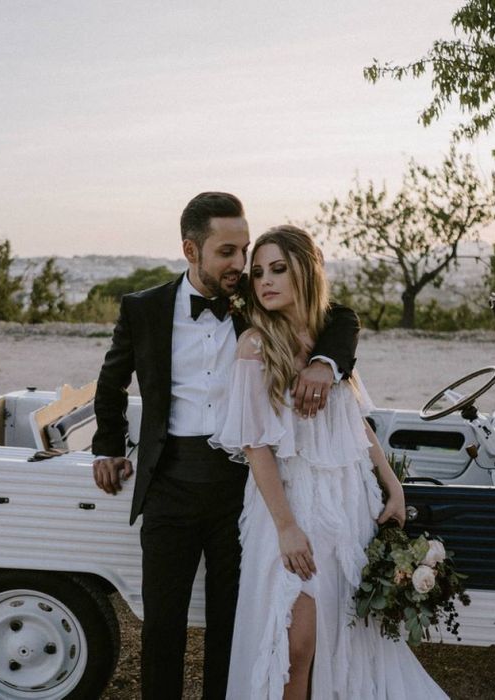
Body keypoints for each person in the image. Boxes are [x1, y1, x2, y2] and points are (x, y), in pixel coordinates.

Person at [90, 193, 360, 700]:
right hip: (168, 481)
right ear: (191, 250)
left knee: (233, 623)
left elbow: (338, 315)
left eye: (244, 250)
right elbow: (110, 383)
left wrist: (326, 362)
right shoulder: (143, 309)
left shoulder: (256, 302)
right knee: (162, 622)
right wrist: (107, 448)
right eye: (227, 252)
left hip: (240, 488)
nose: (240, 264)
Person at [210, 225, 448, 699]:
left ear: (306, 270)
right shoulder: (256, 346)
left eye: (278, 269)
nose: (265, 281)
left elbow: (354, 423)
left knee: (343, 635)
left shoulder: (330, 346)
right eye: (259, 273)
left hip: (344, 501)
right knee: (294, 645)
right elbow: (256, 447)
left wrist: (392, 485)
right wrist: (286, 527)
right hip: (288, 504)